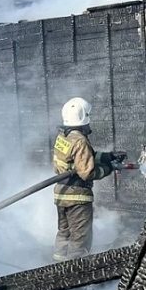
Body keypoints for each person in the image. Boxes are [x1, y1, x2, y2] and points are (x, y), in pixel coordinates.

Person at [52, 97, 125, 261]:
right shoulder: (80, 140)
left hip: (61, 195)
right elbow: (87, 172)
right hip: (77, 197)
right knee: (80, 240)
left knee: (64, 235)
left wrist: (108, 156)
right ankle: (76, 278)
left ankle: (57, 271)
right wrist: (109, 168)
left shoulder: (63, 137)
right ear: (83, 118)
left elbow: (77, 159)